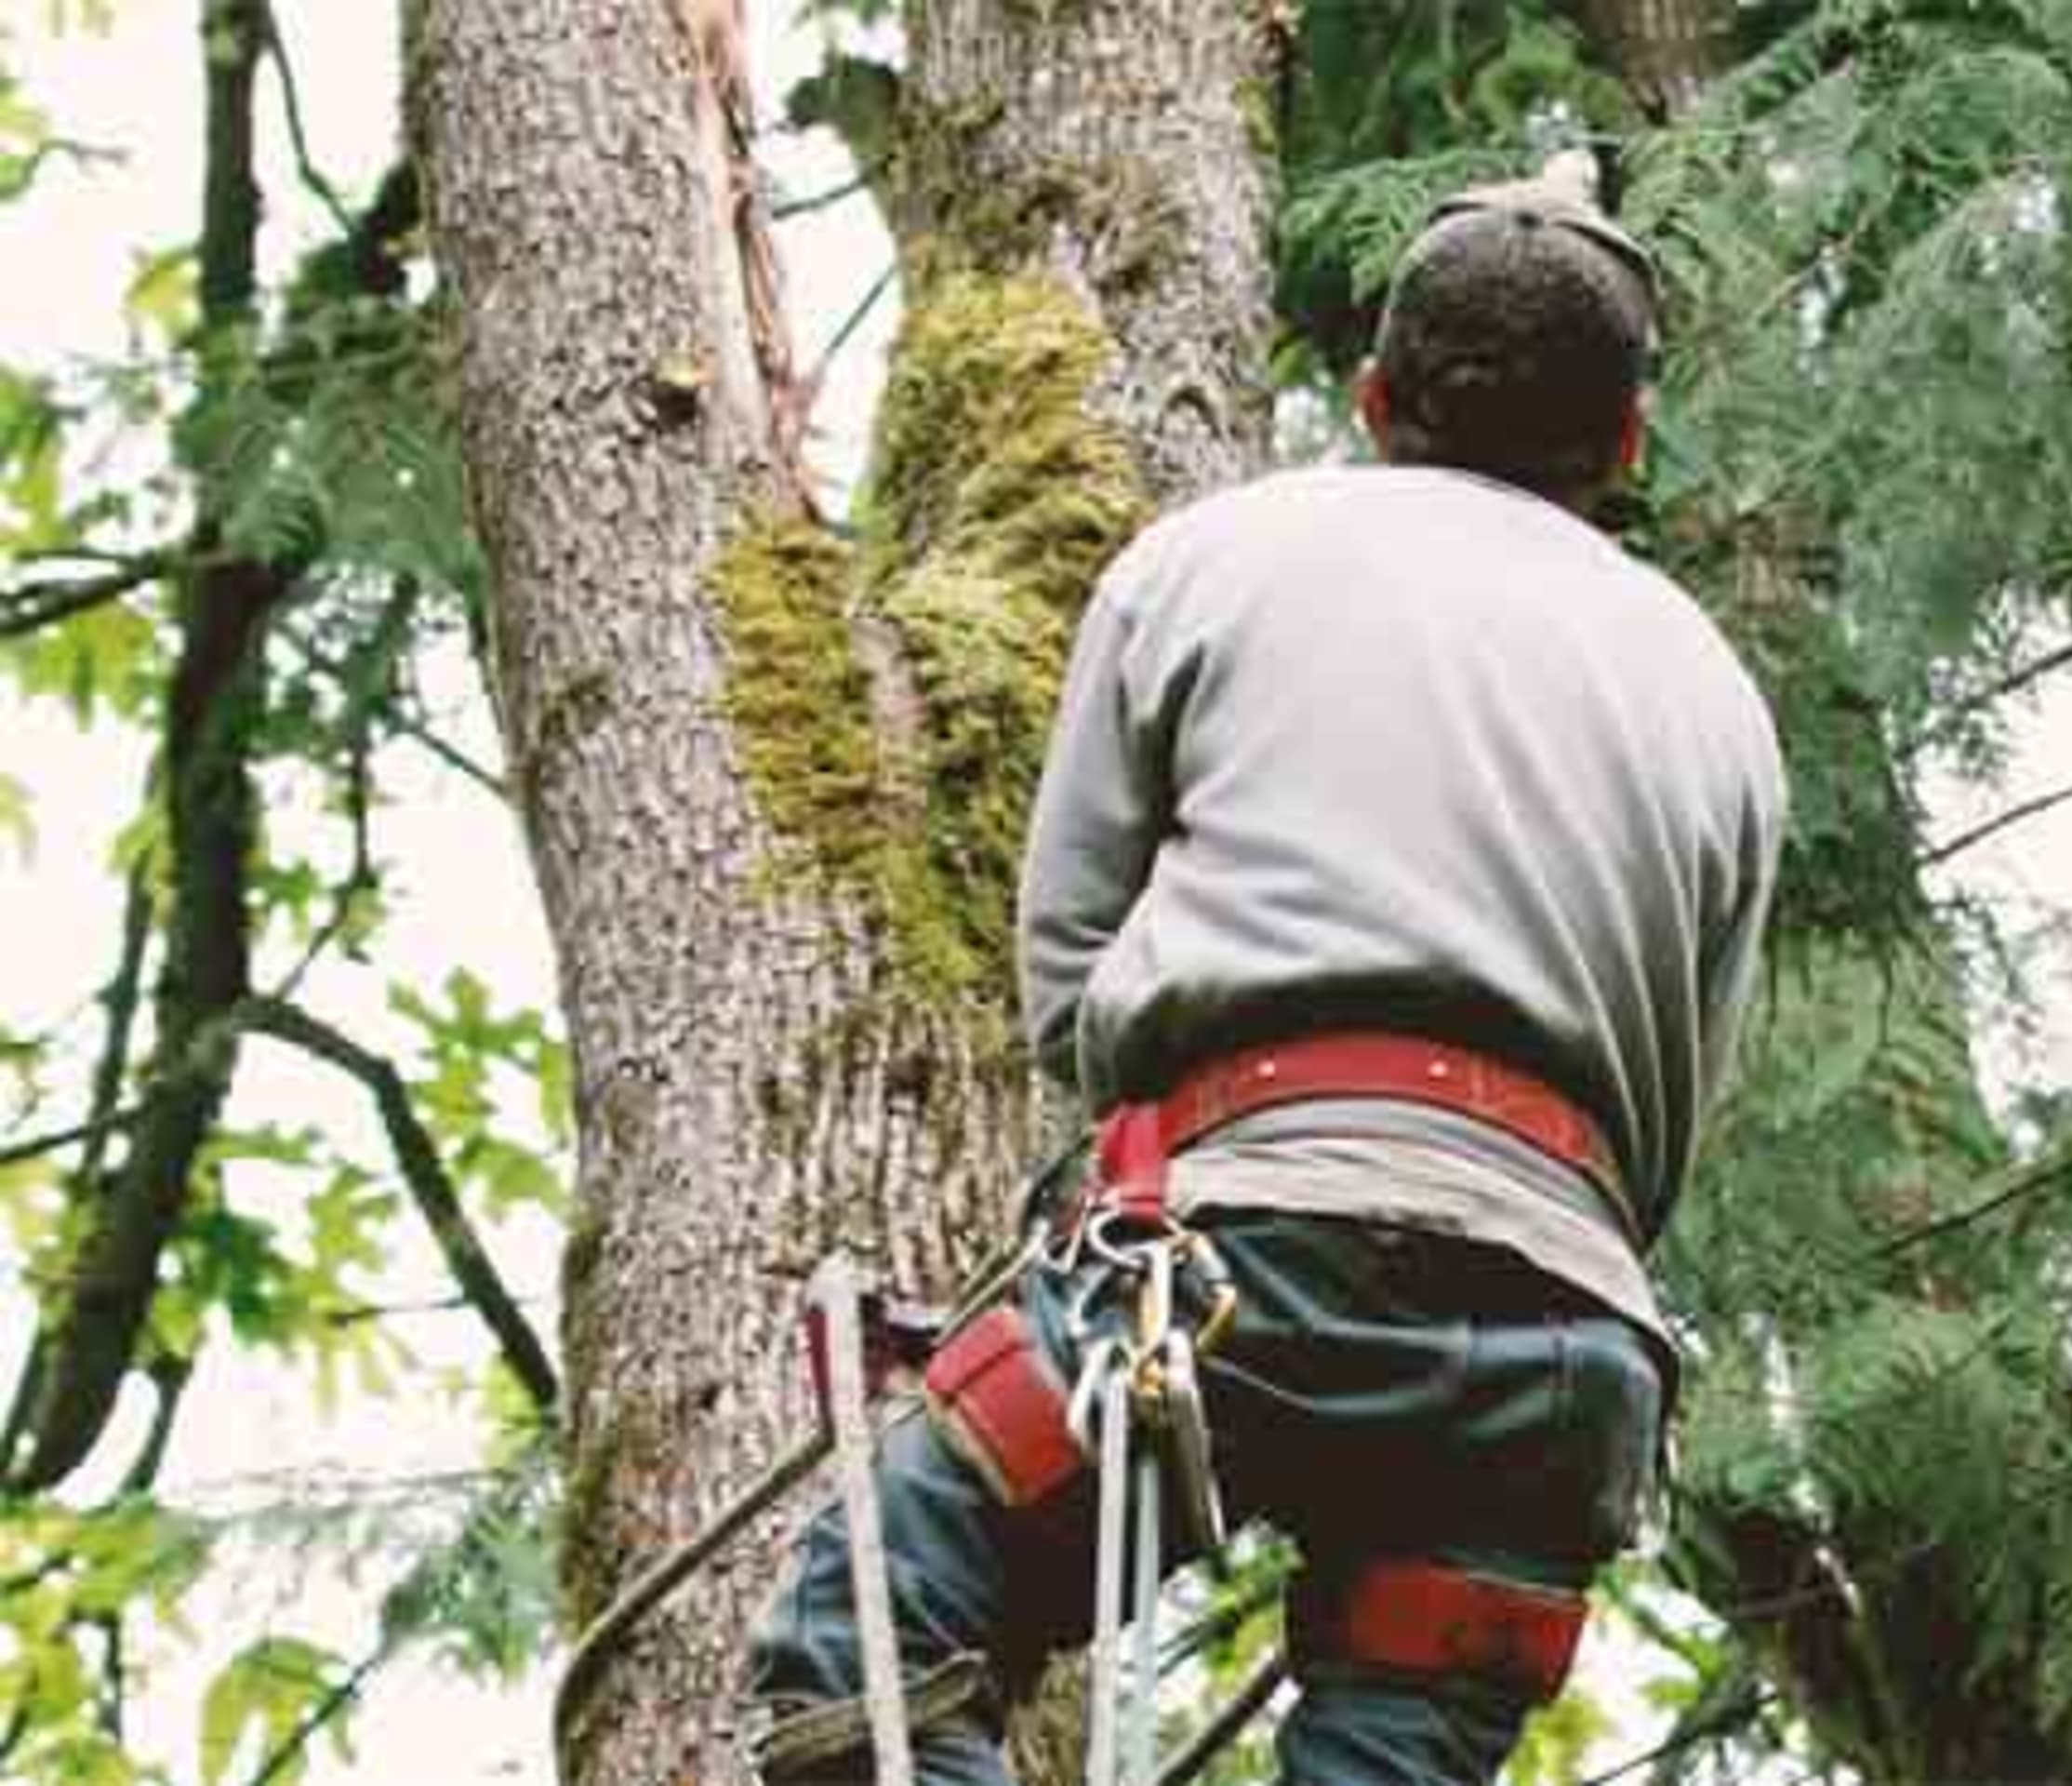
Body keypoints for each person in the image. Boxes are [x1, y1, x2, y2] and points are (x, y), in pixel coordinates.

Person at [744, 155, 1786, 1786]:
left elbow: (1075, 979)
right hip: (1561, 1352)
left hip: (1241, 1269)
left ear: (1373, 391)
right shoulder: (1721, 704)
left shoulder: (1207, 564)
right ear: (1628, 443)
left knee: (869, 1637)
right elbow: (1674, 1114)